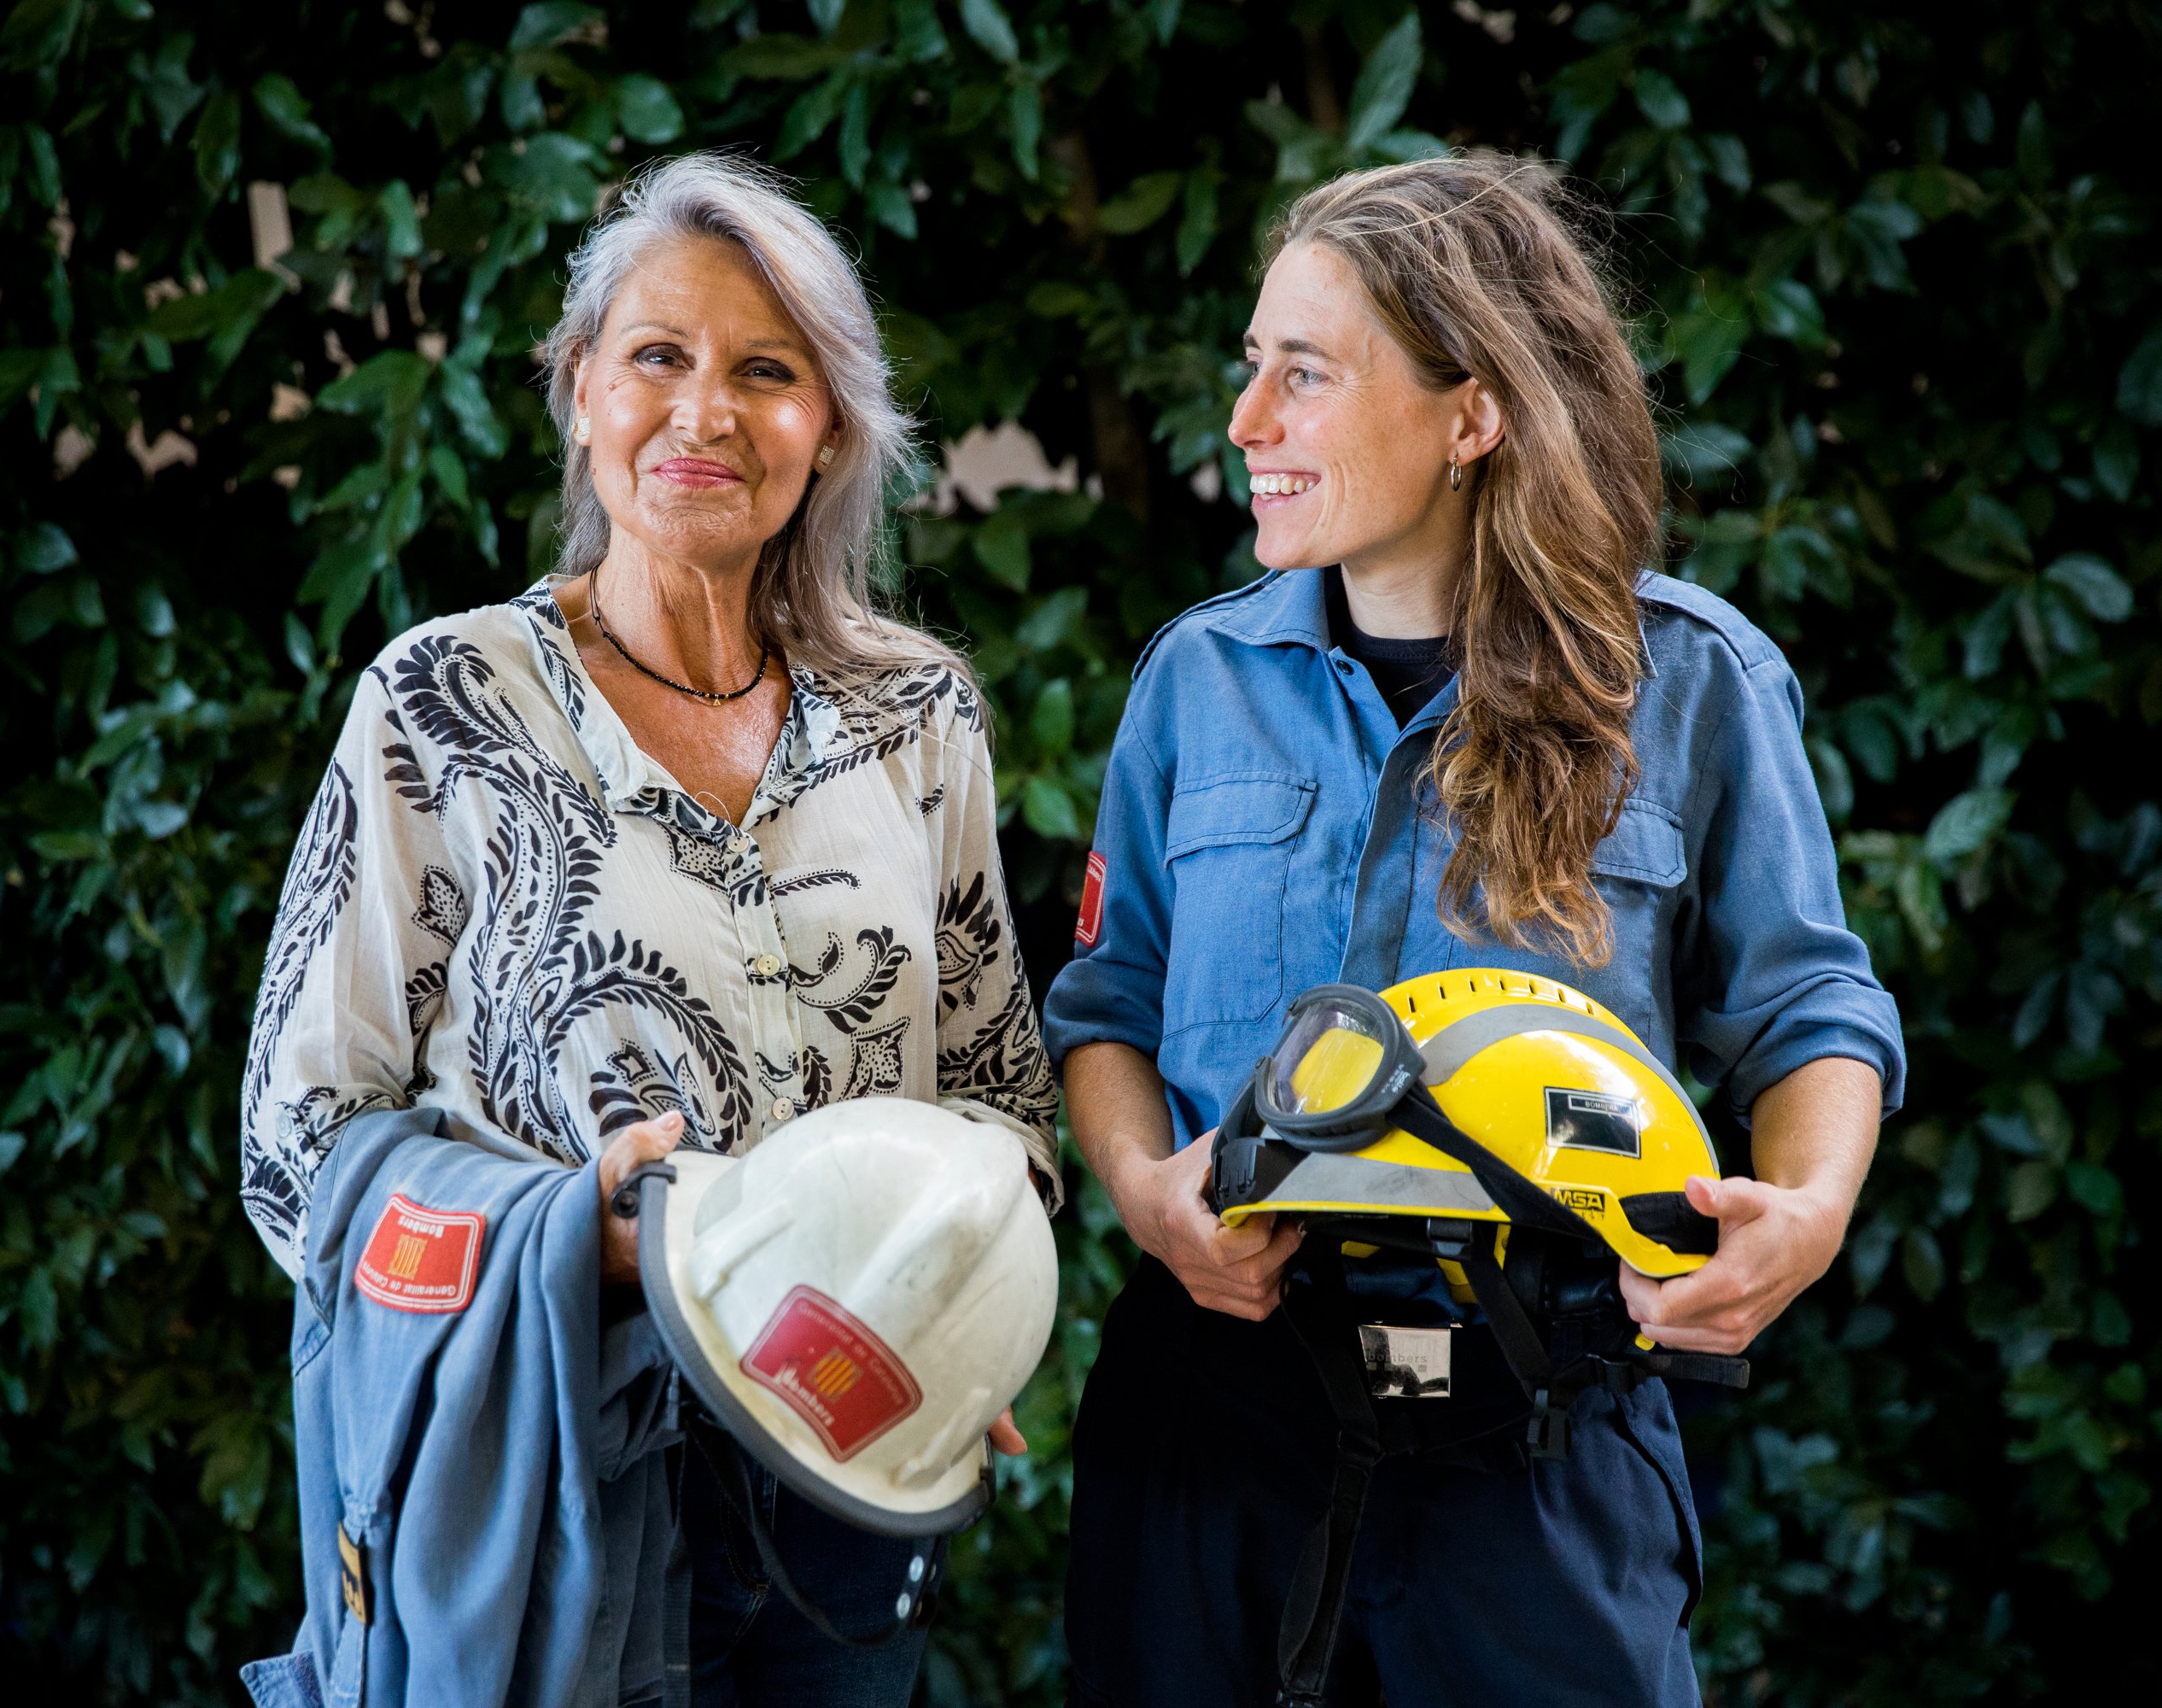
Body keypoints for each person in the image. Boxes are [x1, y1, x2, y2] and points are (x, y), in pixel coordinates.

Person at [1043, 155, 1906, 1706]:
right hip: (1214, 1419)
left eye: (1302, 375)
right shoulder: (1194, 681)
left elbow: (1810, 1011)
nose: (1247, 424)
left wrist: (1814, 1205)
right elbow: (1109, 999)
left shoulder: (1690, 683)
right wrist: (1141, 1192)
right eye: (1254, 370)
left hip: (1546, 1425)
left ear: (1473, 411)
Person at [241, 152, 1058, 1706]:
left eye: (769, 373)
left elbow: (1003, 1103)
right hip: (548, 1481)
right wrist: (571, 1251)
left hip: (848, 1468)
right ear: (578, 393)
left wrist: (964, 1301)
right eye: (658, 360)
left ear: (826, 432)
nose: (707, 415)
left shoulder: (916, 716)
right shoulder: (443, 704)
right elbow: (301, 1145)